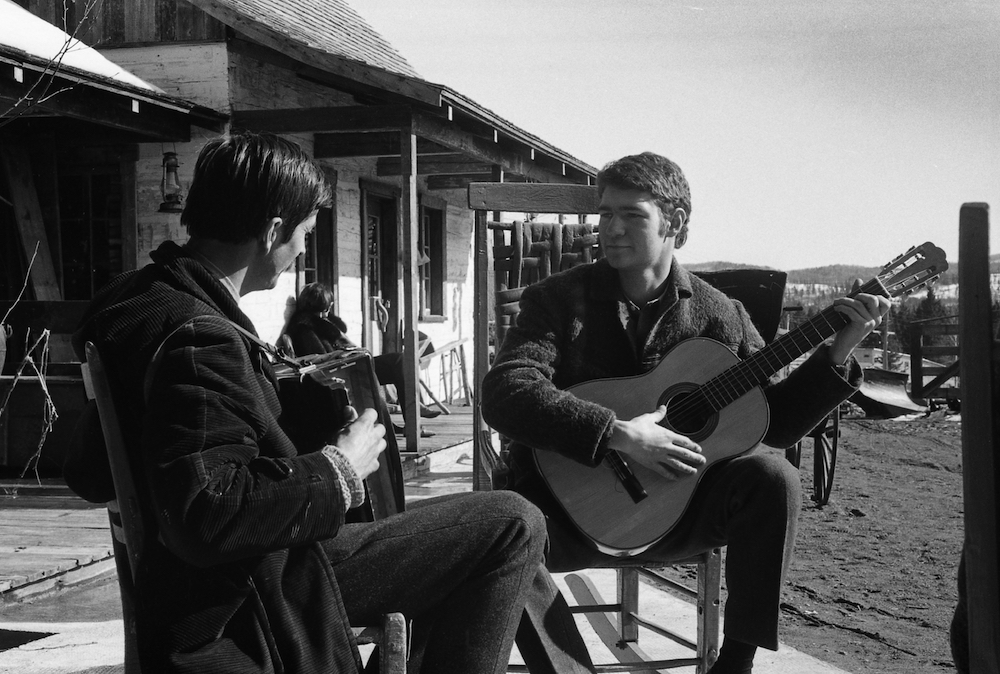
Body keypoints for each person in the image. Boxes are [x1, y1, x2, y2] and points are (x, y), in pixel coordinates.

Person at [64, 131, 592, 674]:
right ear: (272, 231)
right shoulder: (201, 338)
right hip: (258, 591)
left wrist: (288, 412)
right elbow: (209, 513)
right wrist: (339, 468)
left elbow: (100, 469)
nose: (301, 253)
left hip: (204, 580)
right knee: (515, 521)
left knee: (476, 542)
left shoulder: (135, 304)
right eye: (306, 235)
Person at [482, 152, 891, 674]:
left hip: (678, 509)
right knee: (500, 532)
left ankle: (736, 661)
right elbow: (505, 390)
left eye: (632, 215)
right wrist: (616, 433)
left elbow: (779, 420)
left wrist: (837, 352)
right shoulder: (557, 300)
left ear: (675, 223)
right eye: (605, 214)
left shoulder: (721, 314)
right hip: (563, 513)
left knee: (774, 477)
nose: (612, 228)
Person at [280, 281, 441, 437]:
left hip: (352, 365)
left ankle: (413, 416)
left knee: (399, 360)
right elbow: (323, 361)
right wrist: (348, 353)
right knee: (395, 363)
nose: (330, 308)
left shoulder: (323, 324)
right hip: (342, 373)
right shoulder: (304, 329)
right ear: (324, 305)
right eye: (328, 305)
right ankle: (413, 417)